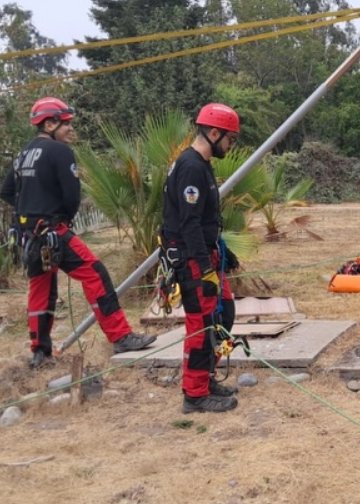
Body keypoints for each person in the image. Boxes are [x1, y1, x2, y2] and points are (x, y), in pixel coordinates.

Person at [0, 97, 157, 369]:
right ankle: (120, 336)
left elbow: (6, 191)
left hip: (30, 236)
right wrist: (58, 216)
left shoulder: (23, 154)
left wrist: (30, 210)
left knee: (40, 289)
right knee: (95, 273)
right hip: (54, 231)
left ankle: (40, 352)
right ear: (49, 124)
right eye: (66, 124)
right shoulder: (59, 152)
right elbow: (72, 196)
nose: (70, 128)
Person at [161, 103, 241, 413]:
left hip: (205, 253)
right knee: (201, 325)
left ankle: (207, 377)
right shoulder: (191, 167)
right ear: (214, 133)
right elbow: (189, 223)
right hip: (192, 259)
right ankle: (194, 394)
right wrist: (205, 267)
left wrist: (222, 251)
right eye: (230, 139)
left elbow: (204, 218)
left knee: (225, 314)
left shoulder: (202, 164)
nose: (230, 145)